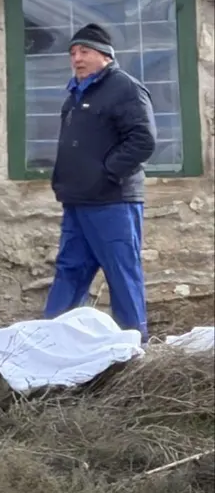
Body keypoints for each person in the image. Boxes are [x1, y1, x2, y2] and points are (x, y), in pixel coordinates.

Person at [44, 23, 157, 339]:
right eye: (73, 53)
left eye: (85, 52)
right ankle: (51, 341)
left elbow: (143, 140)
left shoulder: (125, 88)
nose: (77, 59)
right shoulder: (76, 94)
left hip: (113, 200)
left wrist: (106, 174)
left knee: (121, 274)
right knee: (69, 272)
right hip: (78, 200)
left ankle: (134, 347)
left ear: (105, 55)